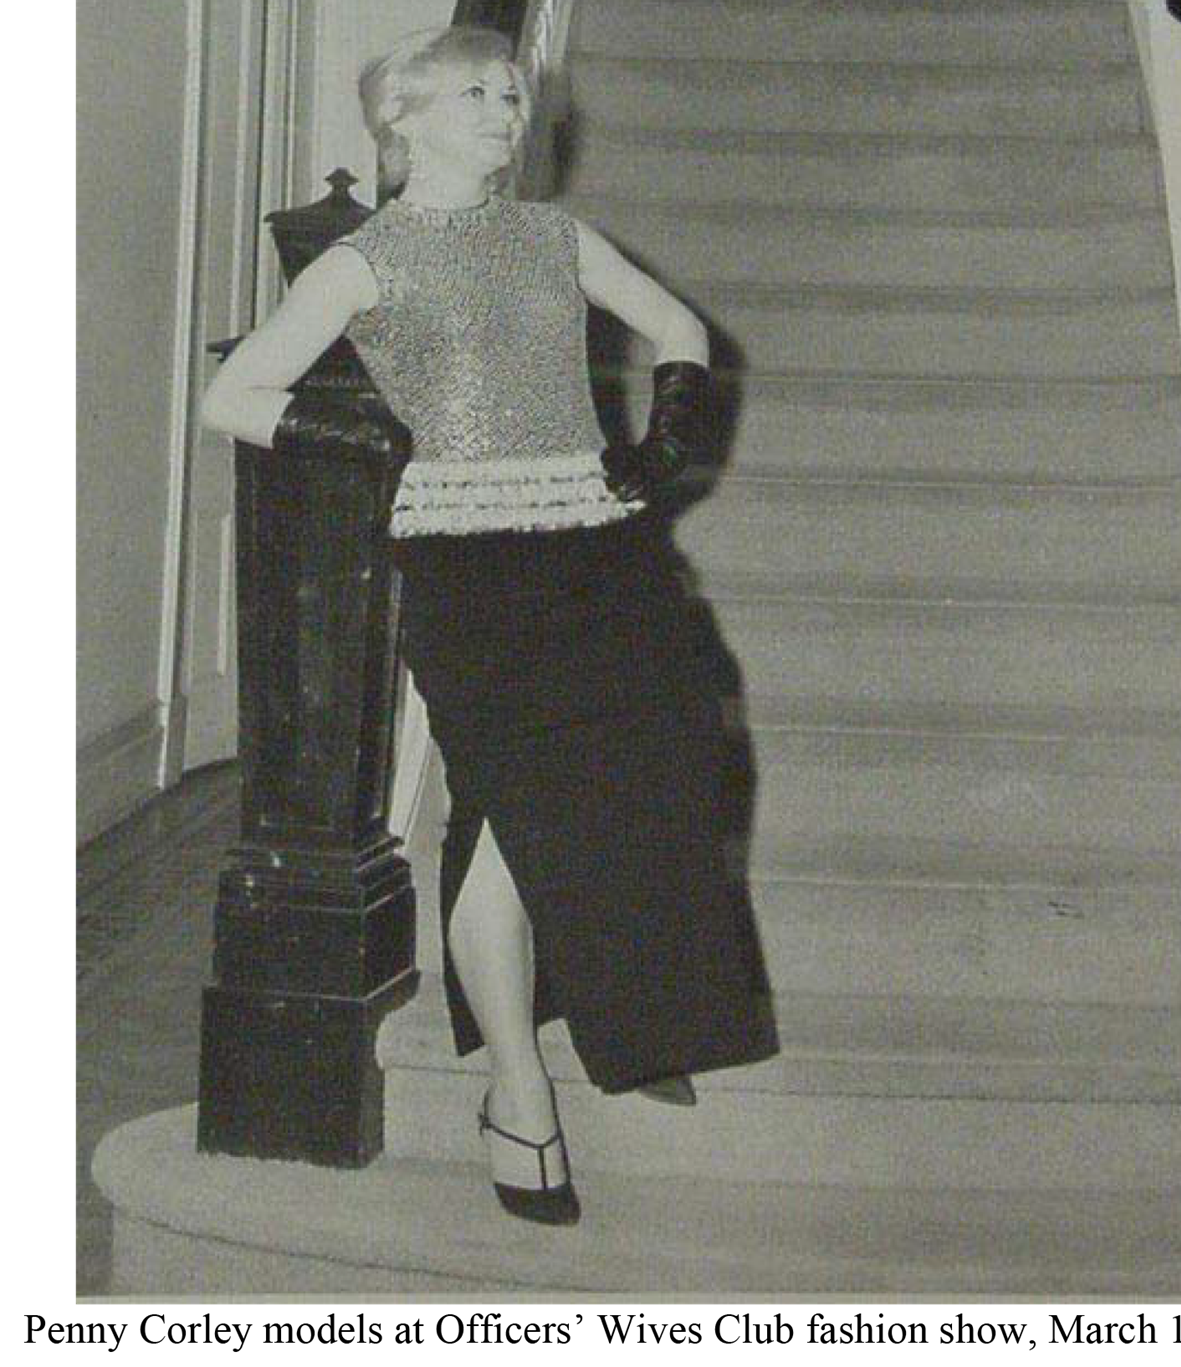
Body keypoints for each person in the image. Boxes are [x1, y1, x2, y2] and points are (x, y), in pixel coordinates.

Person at [201, 25, 778, 1228]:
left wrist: (663, 436)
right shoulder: (364, 262)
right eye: (474, 91)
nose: (505, 108)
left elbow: (679, 326)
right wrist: (369, 441)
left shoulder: (553, 237)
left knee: (668, 743)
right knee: (516, 813)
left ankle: (616, 990)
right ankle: (519, 1092)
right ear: (400, 120)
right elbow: (233, 395)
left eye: (512, 93)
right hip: (471, 567)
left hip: (593, 539)